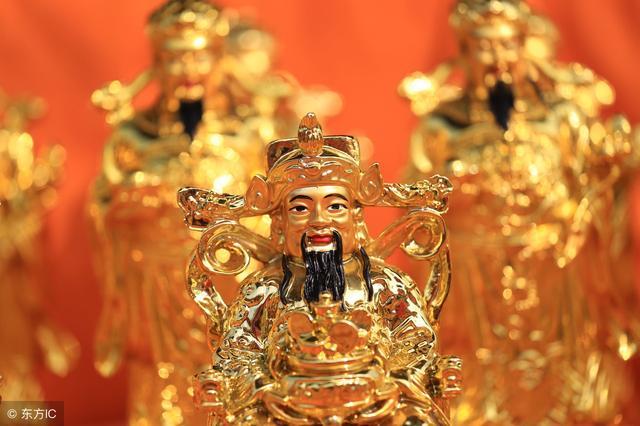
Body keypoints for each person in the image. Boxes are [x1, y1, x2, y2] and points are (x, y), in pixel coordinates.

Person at [399, 0, 638, 424]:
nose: (498, 58)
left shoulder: (561, 117)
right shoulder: (442, 126)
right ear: (464, 52)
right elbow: (415, 204)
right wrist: (456, 186)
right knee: (477, 376)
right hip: (475, 272)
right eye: (484, 46)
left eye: (508, 44)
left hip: (552, 267)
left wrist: (609, 167)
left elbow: (593, 186)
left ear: (525, 47)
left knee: (561, 366)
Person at [179, 112, 462, 425]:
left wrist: (384, 377)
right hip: (285, 404)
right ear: (280, 223)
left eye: (335, 206)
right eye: (300, 208)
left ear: (356, 218)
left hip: (374, 400)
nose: (319, 221)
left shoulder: (384, 283)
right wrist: (268, 385)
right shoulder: (265, 289)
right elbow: (237, 352)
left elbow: (416, 342)